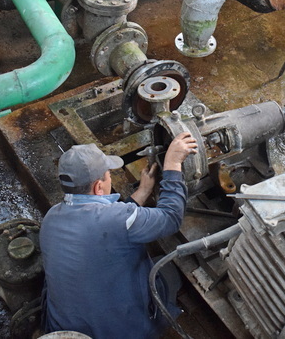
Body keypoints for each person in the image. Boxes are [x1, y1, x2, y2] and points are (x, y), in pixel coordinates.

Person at [40, 133, 198, 337]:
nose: (110, 177)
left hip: (63, 327)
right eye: (108, 174)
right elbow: (171, 218)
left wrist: (142, 192)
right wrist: (173, 165)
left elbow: (106, 222)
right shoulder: (117, 219)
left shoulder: (51, 217)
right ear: (99, 187)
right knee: (170, 272)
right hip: (118, 332)